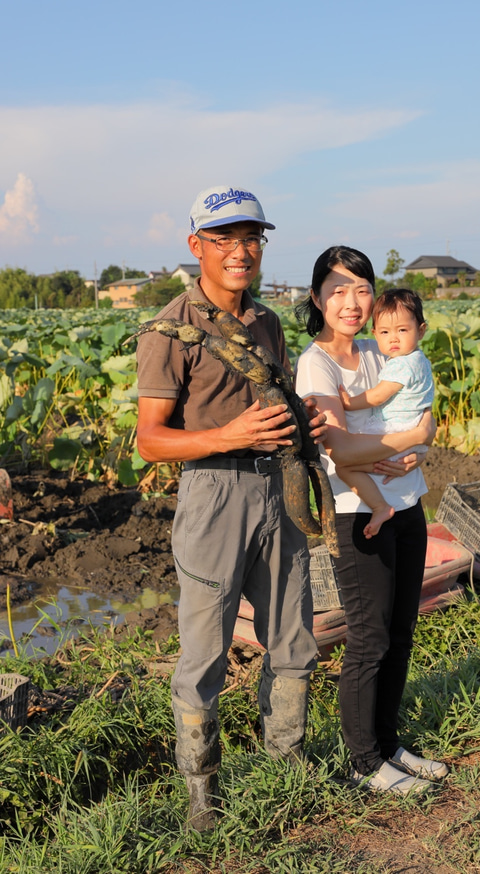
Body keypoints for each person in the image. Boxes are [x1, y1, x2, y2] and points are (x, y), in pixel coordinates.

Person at [135, 185, 324, 831]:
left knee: (293, 639)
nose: (240, 251)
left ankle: (286, 767)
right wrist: (231, 436)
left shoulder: (266, 323)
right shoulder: (167, 330)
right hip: (213, 493)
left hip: (280, 486)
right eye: (224, 239)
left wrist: (306, 424)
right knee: (204, 652)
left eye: (251, 238)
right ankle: (202, 801)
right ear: (196, 247)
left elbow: (275, 408)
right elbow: (150, 439)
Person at [295, 245, 449, 796]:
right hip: (358, 514)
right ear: (317, 298)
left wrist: (418, 450)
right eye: (337, 290)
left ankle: (389, 744)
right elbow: (339, 448)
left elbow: (421, 409)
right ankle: (363, 762)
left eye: (361, 288)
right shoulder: (316, 364)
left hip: (407, 502)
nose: (351, 301)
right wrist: (414, 438)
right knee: (369, 639)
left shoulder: (384, 348)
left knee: (402, 633)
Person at [335, 288, 434, 538]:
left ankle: (380, 507)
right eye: (385, 332)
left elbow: (378, 395)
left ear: (421, 331)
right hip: (414, 436)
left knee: (345, 467)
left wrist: (347, 402)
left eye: (402, 330)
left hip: (395, 433)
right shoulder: (421, 360)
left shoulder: (401, 364)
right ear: (375, 334)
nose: (394, 339)